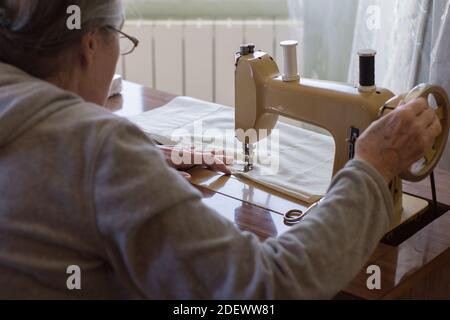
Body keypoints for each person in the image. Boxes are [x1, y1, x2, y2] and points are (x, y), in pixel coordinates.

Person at [0, 0, 442, 299]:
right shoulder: (101, 152)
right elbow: (267, 289)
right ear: (89, 43)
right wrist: (371, 165)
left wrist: (144, 162)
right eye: (121, 36)